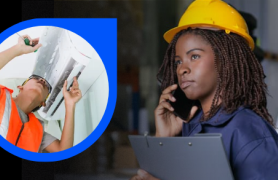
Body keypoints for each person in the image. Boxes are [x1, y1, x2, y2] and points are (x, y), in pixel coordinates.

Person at [131, 0, 278, 179]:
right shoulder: (191, 125)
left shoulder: (249, 132)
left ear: (227, 61)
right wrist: (163, 139)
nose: (182, 69)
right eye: (178, 61)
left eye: (194, 56)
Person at [0, 34, 82, 153]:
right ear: (20, 87)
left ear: (43, 102)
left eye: (47, 87)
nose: (43, 80)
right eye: (36, 78)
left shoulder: (38, 131)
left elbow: (64, 151)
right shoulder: (2, 95)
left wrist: (70, 105)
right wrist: (18, 49)